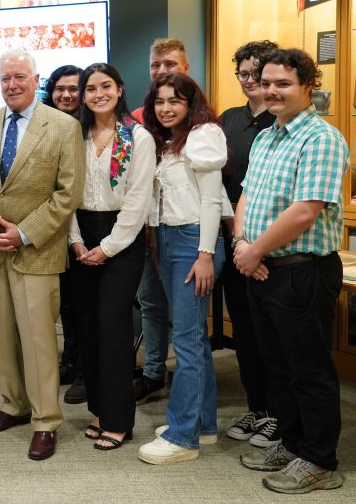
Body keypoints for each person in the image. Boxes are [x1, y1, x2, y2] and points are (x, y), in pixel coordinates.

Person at [233, 48, 348, 495]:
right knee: (277, 366)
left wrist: (254, 249)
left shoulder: (320, 138)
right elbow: (245, 198)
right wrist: (245, 245)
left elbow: (305, 212)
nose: (272, 91)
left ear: (307, 86)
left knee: (310, 369)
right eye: (266, 83)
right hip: (263, 268)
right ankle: (293, 443)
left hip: (303, 273)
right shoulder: (266, 137)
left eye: (283, 83)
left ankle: (320, 460)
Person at [0, 49, 84, 461]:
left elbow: (68, 193)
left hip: (38, 250)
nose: (12, 84)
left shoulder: (63, 126)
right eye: (5, 78)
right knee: (3, 335)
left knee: (38, 340)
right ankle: (13, 405)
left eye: (19, 76)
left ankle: (46, 420)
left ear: (36, 79)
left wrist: (25, 233)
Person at [137, 73, 229, 465]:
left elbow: (211, 202)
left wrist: (205, 254)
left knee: (188, 343)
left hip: (195, 242)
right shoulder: (170, 141)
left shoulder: (204, 134)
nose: (166, 108)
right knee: (194, 340)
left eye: (175, 100)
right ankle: (203, 425)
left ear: (191, 103)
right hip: (172, 240)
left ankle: (183, 436)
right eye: (160, 101)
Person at [67, 63, 154, 452]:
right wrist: (75, 241)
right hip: (79, 236)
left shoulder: (138, 137)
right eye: (90, 88)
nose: (98, 93)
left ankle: (119, 420)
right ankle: (99, 410)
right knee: (87, 326)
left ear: (119, 90)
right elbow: (64, 191)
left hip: (122, 238)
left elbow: (137, 200)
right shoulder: (76, 135)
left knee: (112, 326)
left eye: (106, 86)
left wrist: (108, 247)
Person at [218, 41, 279, 448]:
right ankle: (257, 407)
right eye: (243, 73)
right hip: (233, 243)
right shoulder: (228, 120)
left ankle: (278, 412)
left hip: (272, 248)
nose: (250, 81)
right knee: (244, 332)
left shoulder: (281, 121)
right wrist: (237, 243)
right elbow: (219, 184)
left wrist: (255, 248)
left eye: (256, 73)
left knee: (272, 336)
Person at [133, 38, 191, 405]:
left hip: (185, 230)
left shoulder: (201, 118)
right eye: (155, 65)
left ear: (184, 68)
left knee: (186, 314)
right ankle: (154, 372)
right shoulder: (139, 117)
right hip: (146, 228)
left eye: (169, 64)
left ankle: (189, 382)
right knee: (150, 303)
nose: (161, 71)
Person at [42, 64, 87, 404]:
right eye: (60, 88)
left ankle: (87, 369)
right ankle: (70, 359)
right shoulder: (46, 125)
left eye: (74, 88)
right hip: (55, 228)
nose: (66, 95)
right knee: (68, 303)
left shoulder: (91, 126)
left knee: (87, 307)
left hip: (87, 228)